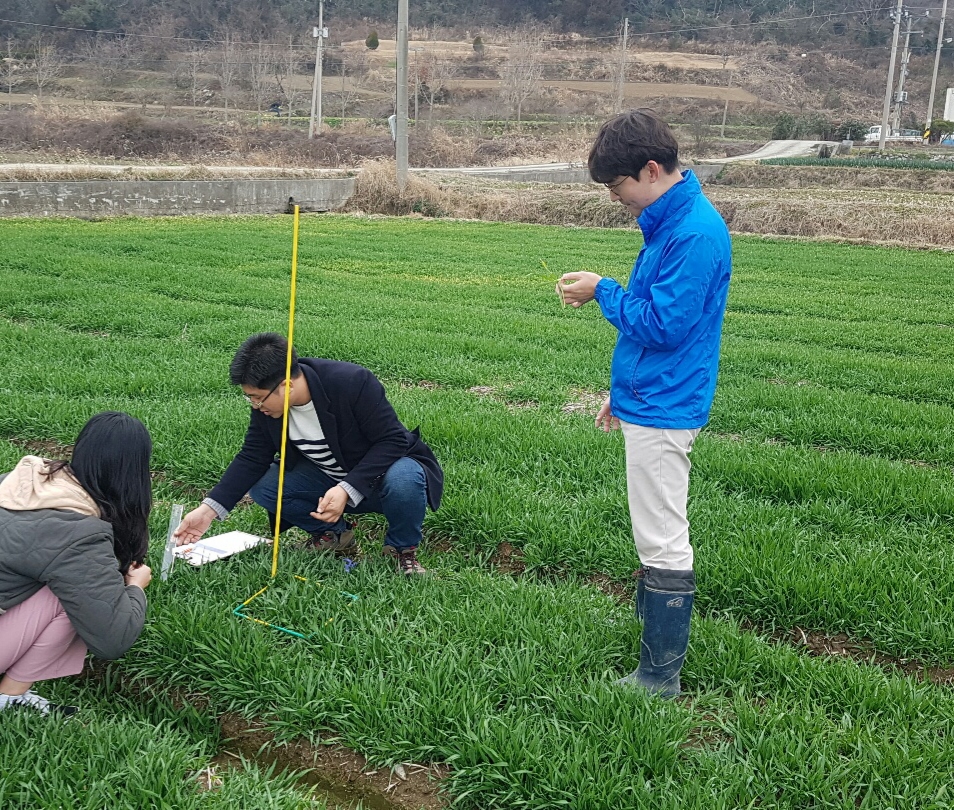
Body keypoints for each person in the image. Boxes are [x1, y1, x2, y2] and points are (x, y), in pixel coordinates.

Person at [557, 109, 732, 697]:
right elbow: (659, 327)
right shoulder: (669, 224)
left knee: (662, 533)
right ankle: (651, 644)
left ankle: (659, 676)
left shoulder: (692, 234)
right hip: (652, 396)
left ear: (651, 170)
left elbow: (663, 325)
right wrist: (623, 395)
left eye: (617, 186)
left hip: (666, 406)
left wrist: (602, 290)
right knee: (652, 526)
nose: (616, 198)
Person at [174, 333, 443, 575]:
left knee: (405, 476)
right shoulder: (268, 407)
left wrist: (347, 489)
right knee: (265, 484)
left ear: (286, 385)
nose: (255, 405)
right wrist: (208, 511)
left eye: (257, 397)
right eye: (250, 398)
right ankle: (334, 537)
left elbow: (393, 440)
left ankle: (400, 550)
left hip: (382, 480)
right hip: (326, 480)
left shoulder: (351, 381)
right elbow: (252, 456)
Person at [0, 412, 153, 716]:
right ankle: (9, 697)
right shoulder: (78, 534)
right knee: (74, 594)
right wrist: (136, 588)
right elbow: (113, 638)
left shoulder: (16, 481)